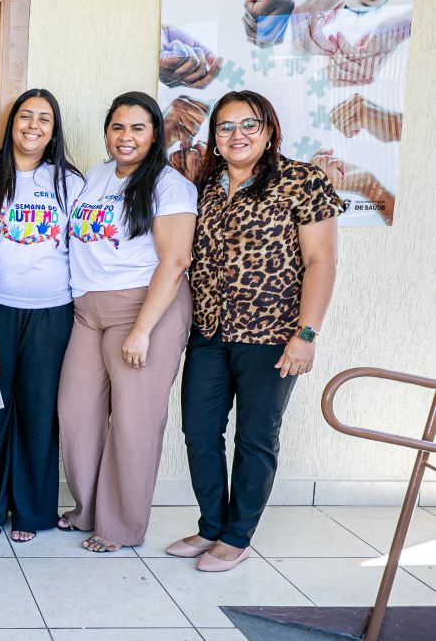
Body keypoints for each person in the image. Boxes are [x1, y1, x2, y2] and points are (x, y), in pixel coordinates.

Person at [167, 90, 344, 571]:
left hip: (273, 336)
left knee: (255, 437)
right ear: (214, 138)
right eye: (225, 127)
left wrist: (306, 336)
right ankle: (210, 527)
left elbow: (320, 261)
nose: (236, 134)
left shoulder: (301, 180)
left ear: (268, 131)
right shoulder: (204, 185)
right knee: (199, 431)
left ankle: (238, 536)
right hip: (210, 331)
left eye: (249, 125)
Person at [57, 91, 197, 553]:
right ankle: (90, 510)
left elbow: (175, 261)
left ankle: (121, 526)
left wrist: (142, 330)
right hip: (87, 311)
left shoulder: (169, 185)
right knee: (76, 416)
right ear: (107, 131)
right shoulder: (95, 176)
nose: (126, 136)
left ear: (155, 133)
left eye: (138, 127)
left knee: (134, 423)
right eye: (118, 126)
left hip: (143, 311)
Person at [0, 89, 82, 543]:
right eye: (25, 116)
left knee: (37, 412)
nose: (33, 125)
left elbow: (84, 247)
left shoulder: (69, 181)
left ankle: (31, 512)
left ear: (54, 131)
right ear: (11, 123)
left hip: (52, 311)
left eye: (44, 119)